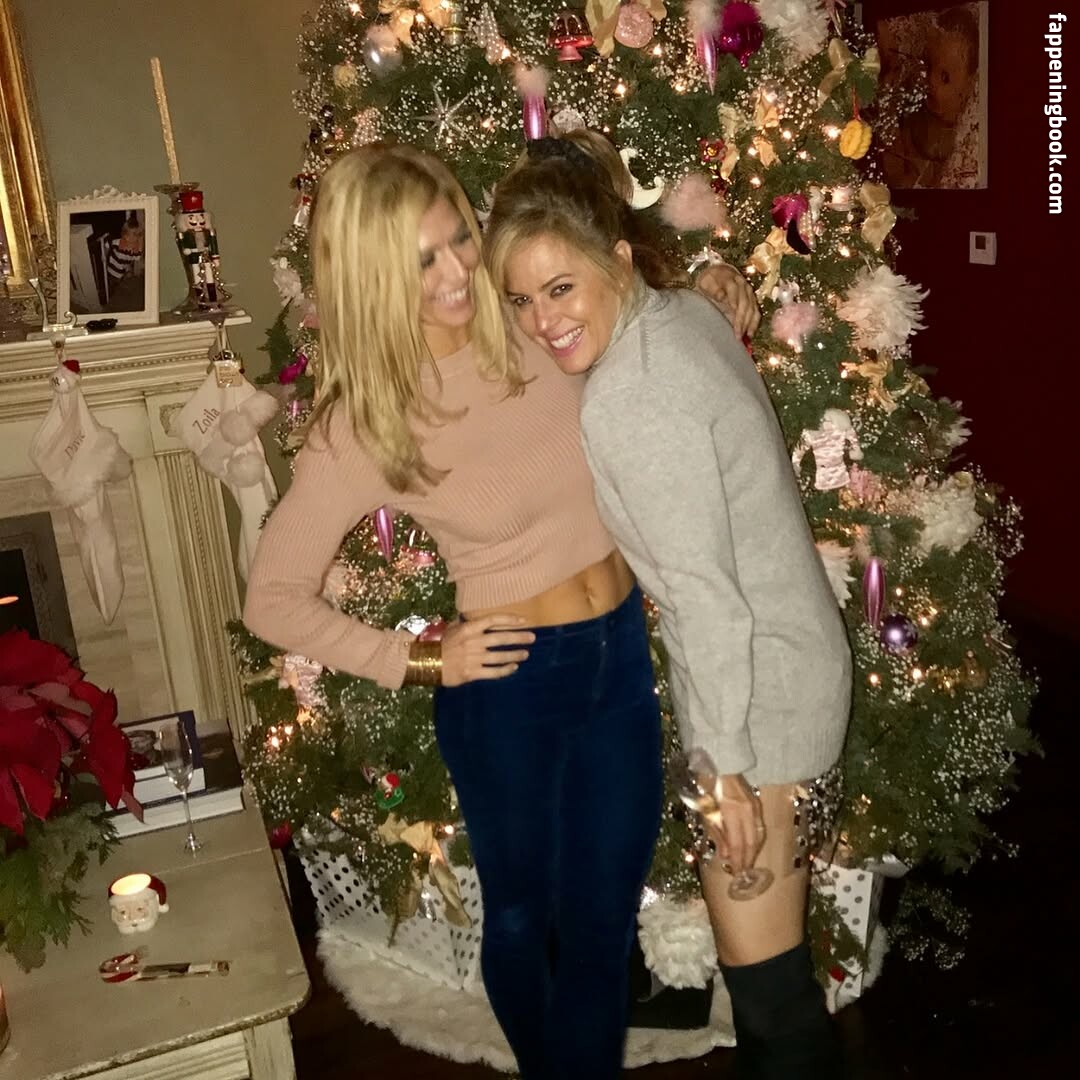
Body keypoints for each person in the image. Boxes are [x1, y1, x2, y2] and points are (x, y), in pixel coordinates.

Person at [243, 142, 757, 1079]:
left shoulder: (532, 329)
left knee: (603, 922)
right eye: (421, 261)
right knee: (523, 919)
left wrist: (707, 285)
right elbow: (271, 598)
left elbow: (622, 291)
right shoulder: (366, 420)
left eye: (459, 239)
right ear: (370, 279)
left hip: (618, 661)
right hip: (511, 687)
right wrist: (419, 657)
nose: (456, 272)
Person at [484, 139, 852, 1079]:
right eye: (521, 300)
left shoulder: (631, 397)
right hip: (790, 662)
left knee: (772, 997)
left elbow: (706, 605)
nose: (542, 322)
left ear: (614, 259)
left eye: (559, 289)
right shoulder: (679, 314)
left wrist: (724, 775)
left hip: (759, 701)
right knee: (774, 983)